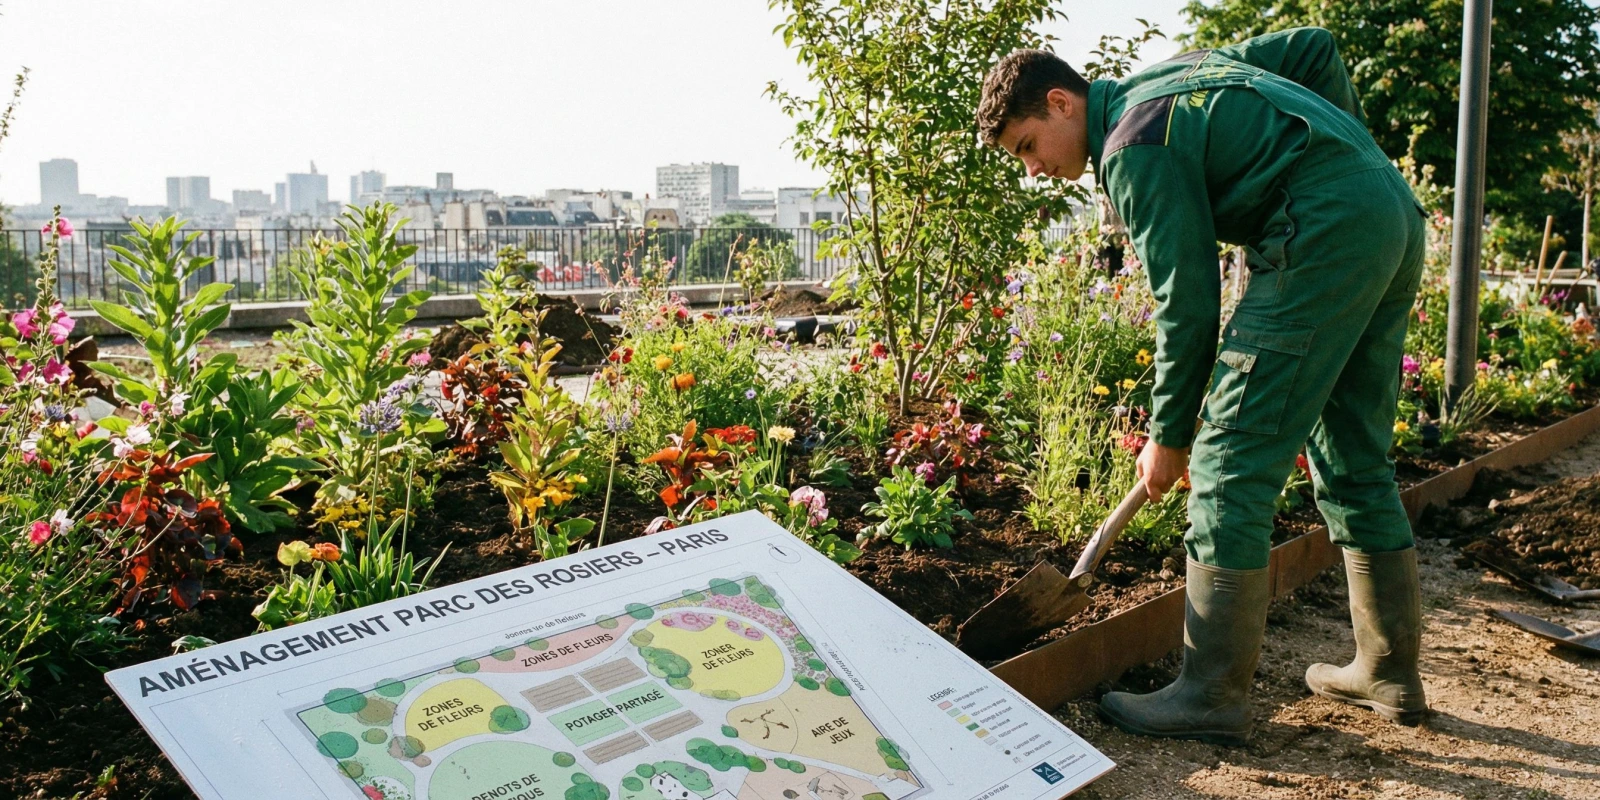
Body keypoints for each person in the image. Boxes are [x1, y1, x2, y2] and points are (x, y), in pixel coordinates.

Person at [976, 28, 1429, 745]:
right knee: (1352, 453)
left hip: (1319, 233)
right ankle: (1388, 671)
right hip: (1388, 214)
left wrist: (1170, 437)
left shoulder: (1132, 147)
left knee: (1227, 465)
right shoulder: (1185, 73)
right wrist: (1347, 156)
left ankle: (1210, 694)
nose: (1032, 168)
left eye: (1028, 146)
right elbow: (1314, 49)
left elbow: (1186, 304)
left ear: (1061, 103)